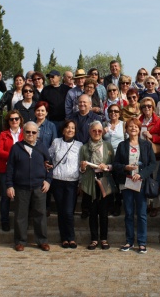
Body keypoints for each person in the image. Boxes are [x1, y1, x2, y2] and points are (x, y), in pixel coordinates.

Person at [5, 121, 52, 252]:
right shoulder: (16, 148)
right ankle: (20, 241)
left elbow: (50, 166)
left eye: (33, 132)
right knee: (20, 215)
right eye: (28, 132)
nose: (31, 134)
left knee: (40, 214)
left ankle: (42, 240)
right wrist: (9, 185)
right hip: (21, 187)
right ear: (23, 133)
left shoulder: (42, 147)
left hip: (39, 186)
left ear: (37, 134)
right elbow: (10, 168)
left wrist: (48, 180)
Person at [113, 118, 156, 254]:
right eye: (130, 126)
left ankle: (142, 243)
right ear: (126, 129)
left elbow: (152, 164)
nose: (133, 129)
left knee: (142, 214)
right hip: (127, 183)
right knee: (129, 213)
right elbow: (116, 165)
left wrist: (142, 174)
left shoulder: (146, 145)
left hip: (141, 183)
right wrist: (125, 167)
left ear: (139, 129)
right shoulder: (122, 146)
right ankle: (129, 241)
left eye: (136, 127)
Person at [79, 121, 115, 250]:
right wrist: (83, 167)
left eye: (99, 131)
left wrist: (107, 167)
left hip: (104, 180)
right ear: (90, 132)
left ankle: (104, 239)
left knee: (104, 212)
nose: (97, 133)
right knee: (93, 212)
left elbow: (114, 165)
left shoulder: (108, 146)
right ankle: (94, 239)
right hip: (90, 181)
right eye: (94, 130)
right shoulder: (84, 147)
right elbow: (81, 169)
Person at [49, 119, 83, 249]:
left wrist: (80, 182)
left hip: (72, 182)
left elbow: (80, 164)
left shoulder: (79, 145)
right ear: (63, 130)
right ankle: (64, 238)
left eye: (73, 128)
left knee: (69, 211)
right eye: (68, 128)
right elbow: (49, 155)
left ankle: (71, 237)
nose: (70, 130)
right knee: (61, 211)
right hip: (57, 180)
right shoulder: (56, 142)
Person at [0, 110, 24, 232]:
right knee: (5, 196)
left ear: (20, 120)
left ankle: (20, 221)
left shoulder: (24, 133)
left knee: (20, 197)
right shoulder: (3, 134)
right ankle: (4, 221)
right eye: (11, 119)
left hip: (21, 170)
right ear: (8, 121)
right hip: (5, 169)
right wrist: (14, 156)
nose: (14, 121)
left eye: (16, 119)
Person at [102, 103, 125, 217]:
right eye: (111, 111)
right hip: (106, 157)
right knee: (108, 181)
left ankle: (118, 204)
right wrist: (103, 132)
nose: (113, 113)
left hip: (119, 157)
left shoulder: (123, 125)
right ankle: (109, 204)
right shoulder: (104, 125)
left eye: (116, 111)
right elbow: (96, 138)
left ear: (119, 113)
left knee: (117, 180)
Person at [40, 69, 70, 133]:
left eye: (52, 77)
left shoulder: (66, 89)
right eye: (49, 77)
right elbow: (41, 104)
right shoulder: (46, 90)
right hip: (50, 121)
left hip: (64, 121)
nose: (50, 79)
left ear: (59, 77)